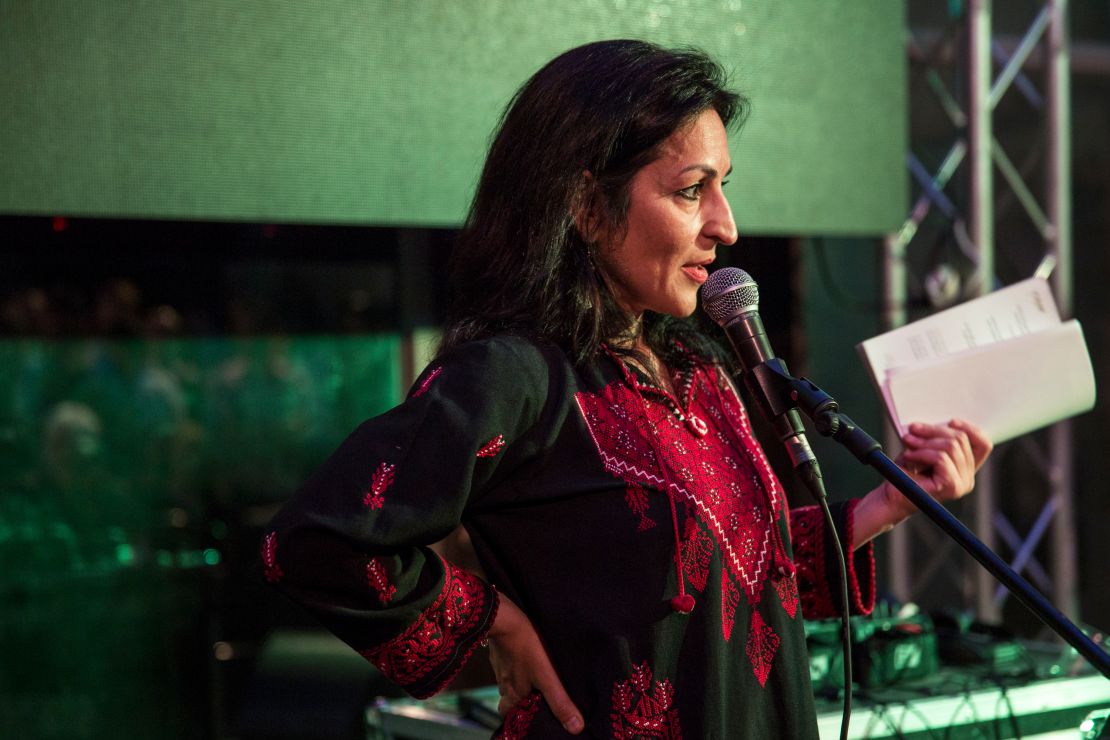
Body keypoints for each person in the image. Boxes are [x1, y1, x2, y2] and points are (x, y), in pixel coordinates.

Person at [263, 39, 991, 738]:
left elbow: (732, 586)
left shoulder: (700, 369)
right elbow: (317, 541)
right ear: (584, 205)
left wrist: (886, 505)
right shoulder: (513, 375)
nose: (726, 226)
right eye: (691, 191)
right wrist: (494, 621)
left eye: (723, 187)